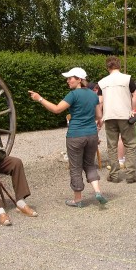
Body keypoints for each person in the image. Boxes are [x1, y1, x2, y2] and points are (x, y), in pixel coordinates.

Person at [28, 67, 107, 208]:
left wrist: (39, 98)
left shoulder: (73, 95)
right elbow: (99, 116)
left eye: (70, 78)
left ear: (79, 80)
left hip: (75, 135)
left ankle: (77, 200)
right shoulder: (93, 95)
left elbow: (57, 109)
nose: (67, 80)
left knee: (75, 167)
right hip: (92, 135)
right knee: (89, 164)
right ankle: (98, 192)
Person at [98, 56, 136, 183]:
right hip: (125, 115)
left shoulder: (102, 82)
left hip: (109, 116)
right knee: (130, 144)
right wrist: (133, 110)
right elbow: (135, 94)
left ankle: (114, 175)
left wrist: (99, 117)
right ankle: (130, 175)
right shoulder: (127, 79)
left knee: (112, 146)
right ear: (119, 66)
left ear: (107, 67)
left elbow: (100, 101)